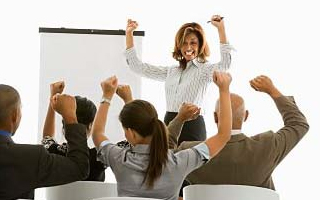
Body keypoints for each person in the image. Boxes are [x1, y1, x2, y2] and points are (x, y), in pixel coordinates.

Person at [91, 71, 232, 200]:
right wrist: (224, 89)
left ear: (130, 133)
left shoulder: (118, 158)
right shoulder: (179, 162)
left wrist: (107, 96)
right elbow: (223, 135)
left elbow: (97, 133)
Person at [171, 75, 309, 191]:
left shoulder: (191, 152)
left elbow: (161, 157)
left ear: (215, 117)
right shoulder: (268, 146)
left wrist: (179, 119)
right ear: (246, 116)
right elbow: (298, 124)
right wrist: (272, 90)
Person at [125, 15, 232, 145]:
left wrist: (221, 29)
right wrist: (129, 34)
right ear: (179, 46)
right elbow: (137, 67)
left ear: (201, 45)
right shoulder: (171, 71)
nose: (188, 48)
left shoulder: (205, 70)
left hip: (193, 125)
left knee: (194, 164)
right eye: (184, 43)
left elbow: (225, 65)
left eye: (193, 43)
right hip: (169, 123)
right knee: (164, 162)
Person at [0, 84, 89, 200]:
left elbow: (47, 138)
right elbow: (79, 167)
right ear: (15, 115)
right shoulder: (30, 158)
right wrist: (70, 116)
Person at [41, 81, 106, 182]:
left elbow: (47, 138)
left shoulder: (54, 152)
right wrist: (108, 97)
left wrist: (53, 98)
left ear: (64, 125)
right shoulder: (99, 157)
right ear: (90, 126)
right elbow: (134, 143)